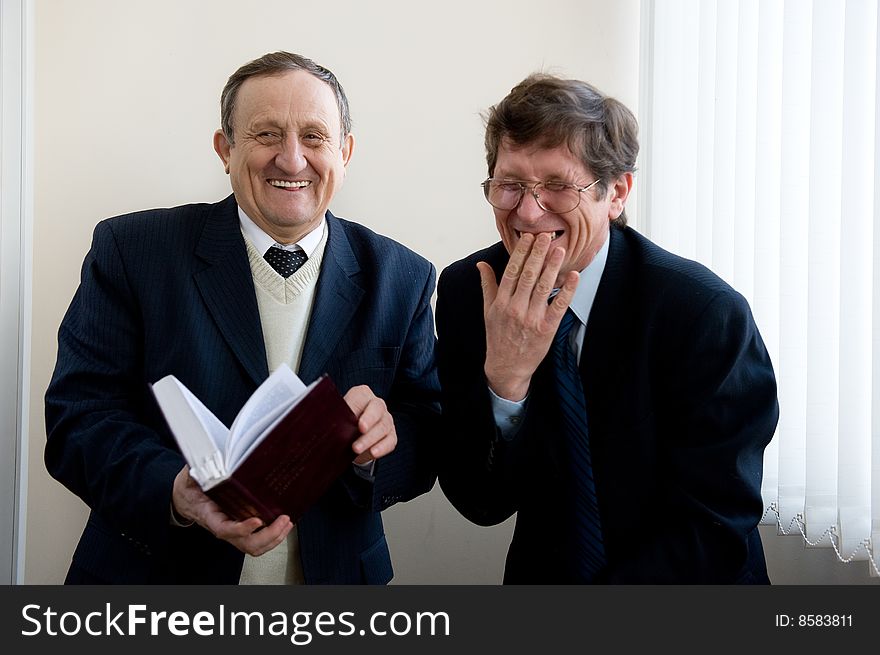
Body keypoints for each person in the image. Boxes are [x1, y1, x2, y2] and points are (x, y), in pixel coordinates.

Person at [45, 52, 439, 584]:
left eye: (315, 137)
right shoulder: (131, 252)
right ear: (224, 149)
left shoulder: (404, 277)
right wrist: (177, 492)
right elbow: (78, 419)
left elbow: (426, 432)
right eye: (267, 134)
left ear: (345, 152)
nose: (292, 159)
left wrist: (377, 448)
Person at [436, 73, 778, 583]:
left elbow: (713, 526)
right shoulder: (472, 290)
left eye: (557, 185)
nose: (528, 213)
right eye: (510, 186)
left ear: (616, 193)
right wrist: (505, 383)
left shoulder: (704, 313)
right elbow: (480, 502)